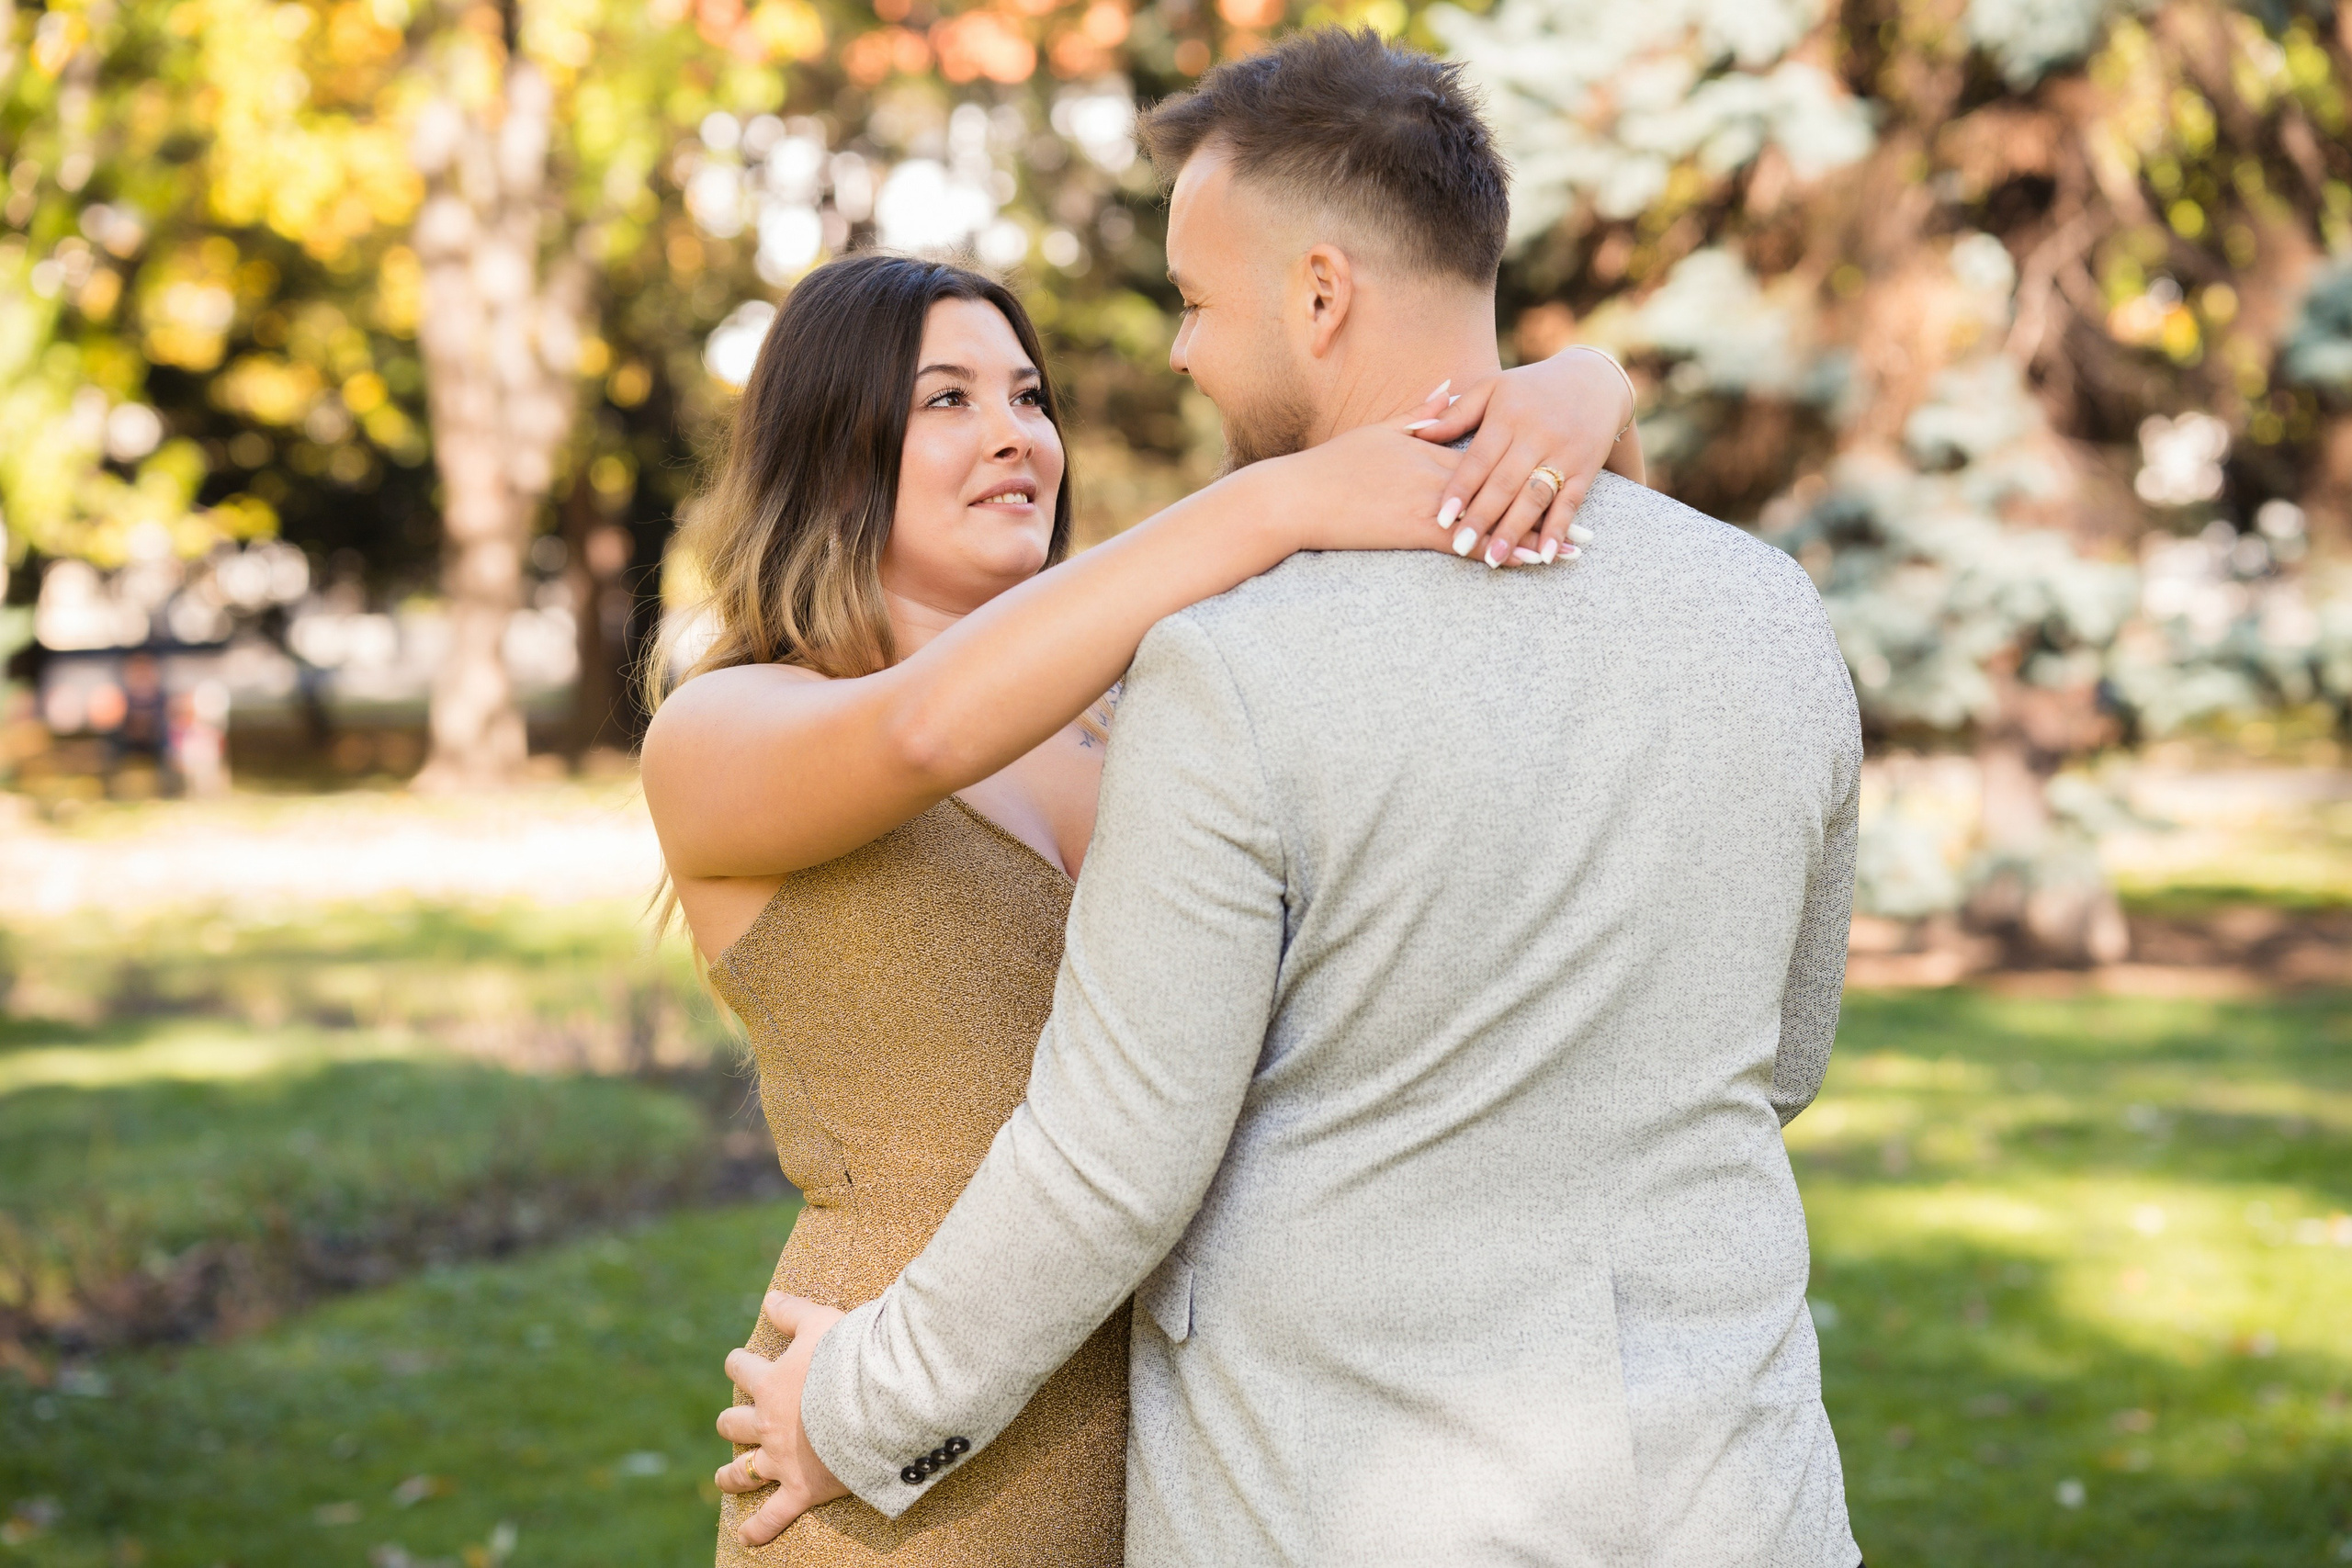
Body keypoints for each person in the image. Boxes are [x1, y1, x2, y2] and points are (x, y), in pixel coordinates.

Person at [719, 29, 1865, 1568]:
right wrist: (1574, 393)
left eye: (1196, 302)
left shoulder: (1226, 674)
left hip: (1355, 1509)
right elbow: (1779, 1058)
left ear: (1318, 295)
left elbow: (1117, 1164)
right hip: (1742, 1503)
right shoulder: (1771, 609)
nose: (1183, 353)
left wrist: (859, 1413)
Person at [641, 239, 1643, 1560]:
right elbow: (922, 737)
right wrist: (1275, 502)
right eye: (948, 400)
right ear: (832, 445)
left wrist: (1588, 395)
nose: (1013, 435)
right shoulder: (725, 726)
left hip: (1218, 1437)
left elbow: (1532, 634)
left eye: (1029, 397)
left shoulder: (1156, 707)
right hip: (894, 1448)